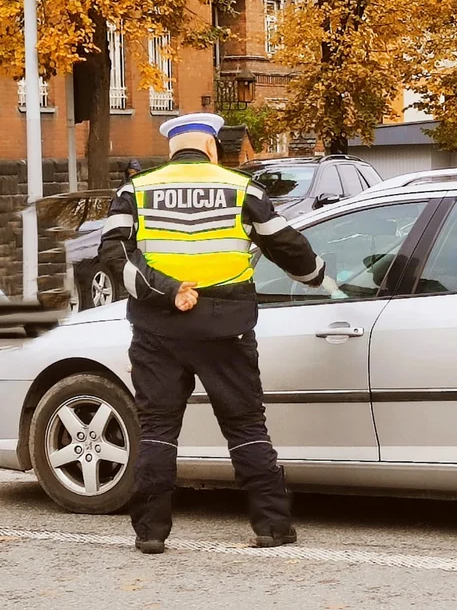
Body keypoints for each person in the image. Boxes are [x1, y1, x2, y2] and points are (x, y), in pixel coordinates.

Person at [98, 113, 327, 555]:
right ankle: (272, 526)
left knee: (158, 427)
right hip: (228, 328)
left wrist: (166, 293)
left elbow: (113, 253)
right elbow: (283, 243)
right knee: (244, 424)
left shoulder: (136, 189)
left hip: (157, 327)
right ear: (212, 148)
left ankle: (150, 532)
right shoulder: (242, 187)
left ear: (171, 150)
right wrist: (316, 275)